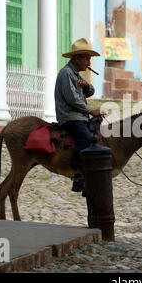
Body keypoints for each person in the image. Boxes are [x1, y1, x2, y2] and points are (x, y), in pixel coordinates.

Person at [54, 38, 105, 192]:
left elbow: (90, 92)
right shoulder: (66, 73)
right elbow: (72, 99)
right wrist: (90, 111)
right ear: (77, 58)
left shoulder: (76, 74)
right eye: (87, 59)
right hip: (70, 117)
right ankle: (77, 173)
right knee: (85, 137)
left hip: (79, 116)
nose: (89, 63)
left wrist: (87, 85)